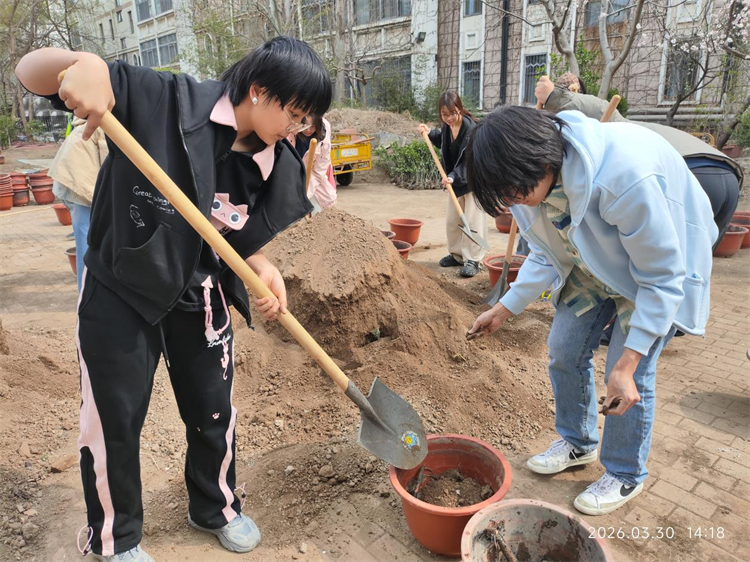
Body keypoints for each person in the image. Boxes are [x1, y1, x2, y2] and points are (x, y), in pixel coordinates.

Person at [16, 36, 331, 562]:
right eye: (294, 115)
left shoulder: (272, 161)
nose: (297, 130)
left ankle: (215, 507)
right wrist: (79, 63)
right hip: (122, 287)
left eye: (305, 121)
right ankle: (116, 538)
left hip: (199, 292)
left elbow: (225, 231)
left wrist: (260, 264)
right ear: (259, 90)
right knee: (113, 418)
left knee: (214, 410)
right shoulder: (165, 101)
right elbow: (30, 71)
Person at [466, 106, 717, 516]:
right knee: (564, 349)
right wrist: (504, 309)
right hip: (598, 258)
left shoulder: (622, 178)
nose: (511, 201)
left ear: (540, 161)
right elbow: (547, 253)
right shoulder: (530, 189)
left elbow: (661, 277)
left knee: (627, 372)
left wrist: (627, 364)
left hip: (656, 268)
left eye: (512, 191)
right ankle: (578, 441)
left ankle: (624, 471)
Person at [535, 75, 742, 247]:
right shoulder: (624, 136)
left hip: (688, 174)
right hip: (727, 174)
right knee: (693, 268)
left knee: (667, 267)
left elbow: (600, 109)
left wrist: (554, 96)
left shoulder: (611, 129)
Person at [418, 91, 487, 277]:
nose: (448, 118)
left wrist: (454, 176)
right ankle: (457, 255)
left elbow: (469, 161)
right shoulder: (448, 127)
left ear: (460, 109)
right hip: (454, 182)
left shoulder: (472, 130)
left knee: (472, 221)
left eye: (452, 113)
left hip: (472, 181)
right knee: (453, 220)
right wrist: (429, 133)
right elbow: (443, 140)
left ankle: (473, 259)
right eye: (444, 114)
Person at [49, 117, 109, 290]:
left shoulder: (93, 116)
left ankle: (87, 291)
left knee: (88, 238)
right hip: (80, 185)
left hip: (73, 180)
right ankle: (87, 293)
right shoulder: (105, 122)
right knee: (88, 243)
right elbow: (109, 159)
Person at [292, 114, 336, 212]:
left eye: (312, 126)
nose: (308, 130)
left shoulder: (324, 136)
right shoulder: (289, 133)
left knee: (326, 198)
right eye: (304, 126)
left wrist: (306, 194)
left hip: (316, 172)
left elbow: (318, 171)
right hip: (293, 172)